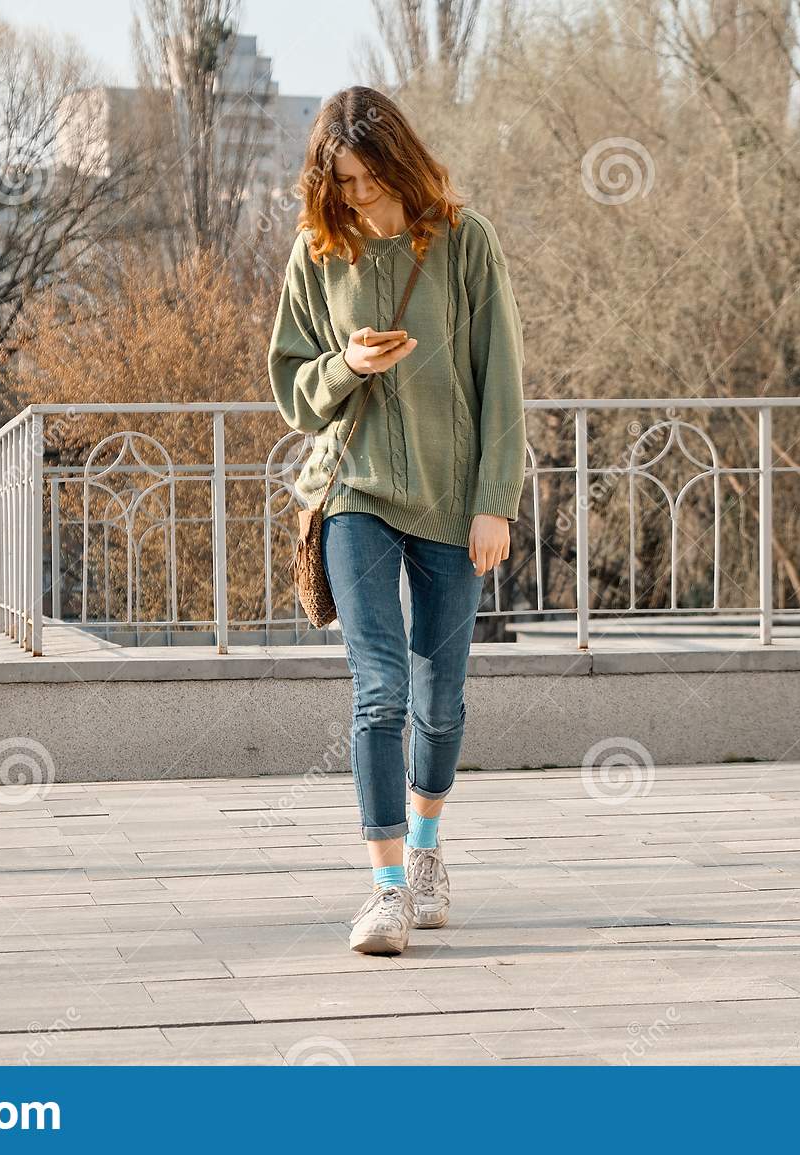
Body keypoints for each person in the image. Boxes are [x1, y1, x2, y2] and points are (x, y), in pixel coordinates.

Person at [267, 85, 527, 956]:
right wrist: (344, 363)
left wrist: (495, 500)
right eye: (342, 181)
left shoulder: (464, 241)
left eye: (372, 178)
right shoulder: (316, 251)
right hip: (354, 491)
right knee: (379, 689)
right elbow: (294, 394)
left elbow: (503, 384)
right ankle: (385, 891)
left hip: (454, 500)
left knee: (441, 702)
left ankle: (425, 851)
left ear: (402, 165)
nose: (358, 196)